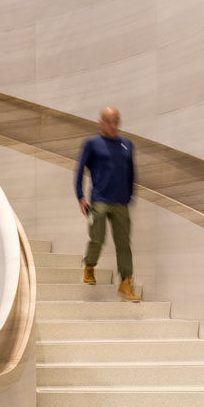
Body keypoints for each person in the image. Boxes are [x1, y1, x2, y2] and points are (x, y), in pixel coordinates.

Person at [74, 106, 140, 302]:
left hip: (121, 202)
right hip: (99, 200)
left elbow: (131, 173)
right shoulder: (92, 144)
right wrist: (80, 196)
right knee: (98, 238)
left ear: (119, 122)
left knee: (124, 244)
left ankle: (126, 283)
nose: (112, 125)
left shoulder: (127, 145)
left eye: (116, 121)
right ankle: (89, 266)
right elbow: (79, 171)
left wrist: (129, 196)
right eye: (108, 121)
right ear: (101, 123)